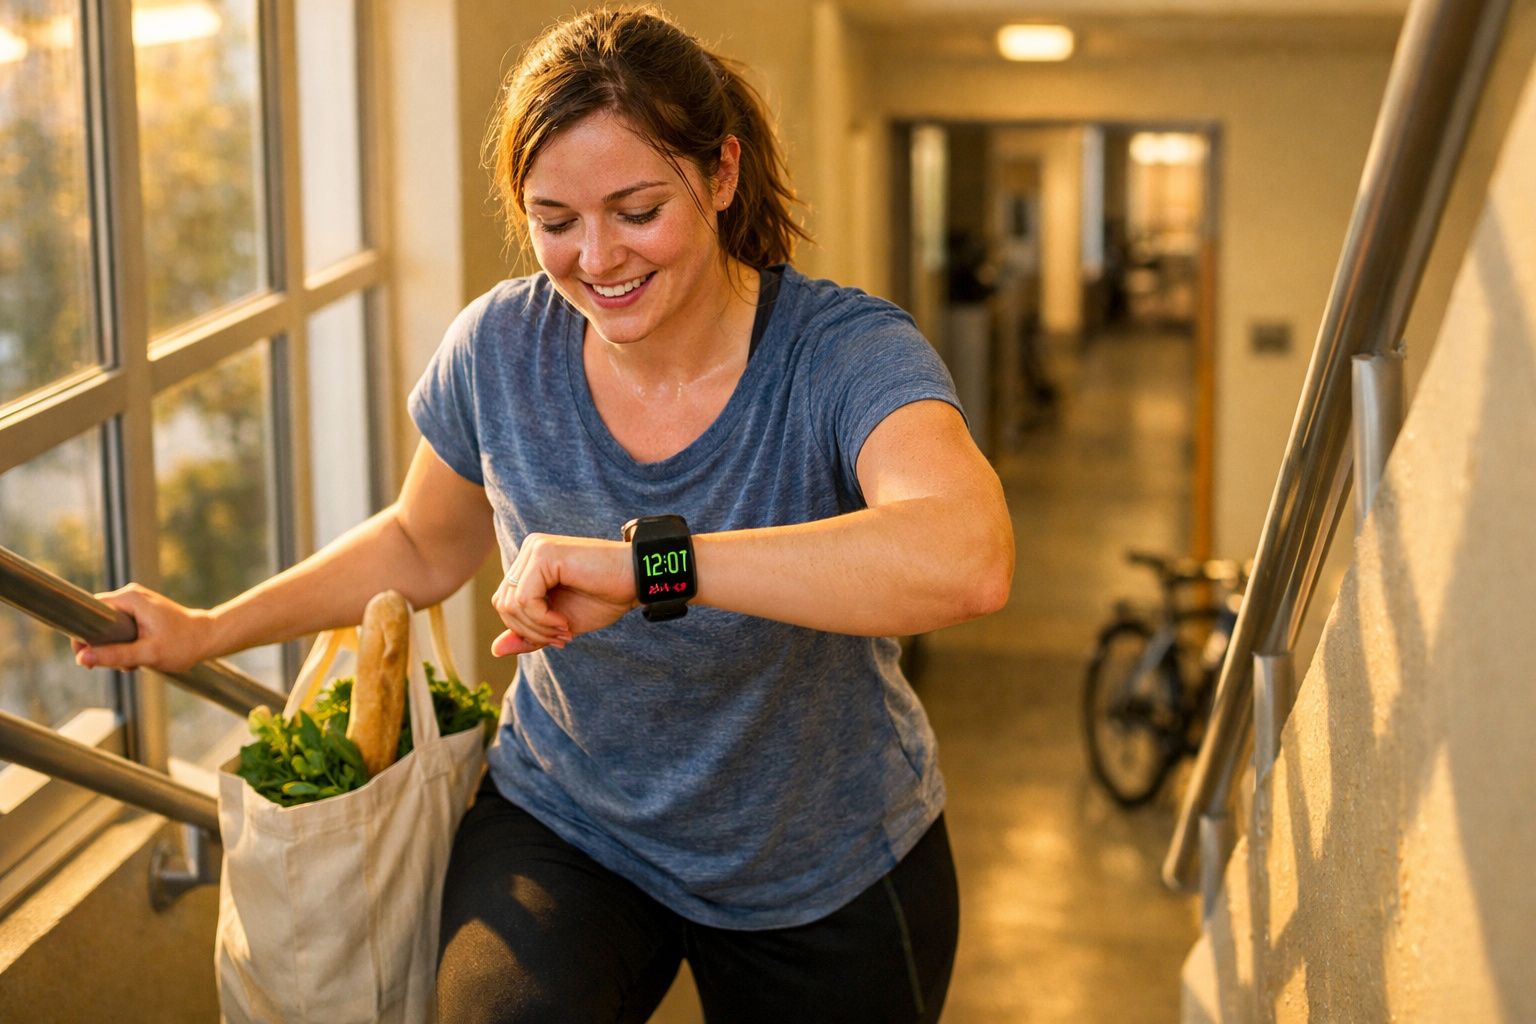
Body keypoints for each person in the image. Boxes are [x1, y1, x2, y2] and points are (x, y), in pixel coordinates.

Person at [73, 6, 1013, 1021]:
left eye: (637, 209)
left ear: (723, 172)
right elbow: (421, 543)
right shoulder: (500, 349)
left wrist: (656, 566)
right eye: (555, 221)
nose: (597, 259)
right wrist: (210, 629)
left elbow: (967, 557)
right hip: (573, 823)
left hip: (824, 862)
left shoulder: (842, 354)